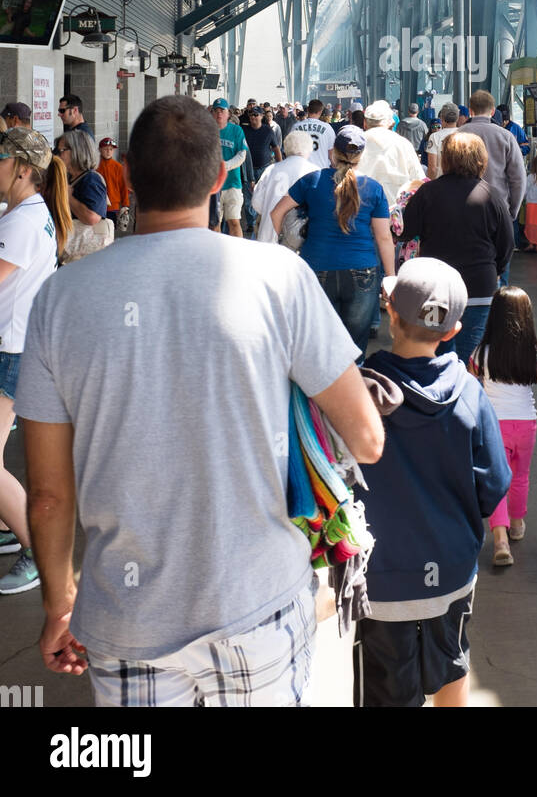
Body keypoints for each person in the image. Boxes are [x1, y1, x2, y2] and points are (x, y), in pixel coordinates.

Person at [14, 95, 384, 704]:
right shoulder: (279, 278)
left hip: (125, 620)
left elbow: (50, 495)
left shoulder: (60, 300)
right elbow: (366, 440)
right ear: (219, 177)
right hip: (258, 603)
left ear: (128, 176)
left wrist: (59, 602)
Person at [354, 258, 511, 708]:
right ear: (453, 330)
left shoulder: (362, 392)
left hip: (382, 580)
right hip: (452, 572)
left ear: (390, 311)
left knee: (384, 692)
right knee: (452, 672)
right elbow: (493, 483)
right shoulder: (470, 393)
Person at [0, 130, 72, 596]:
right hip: (18, 347)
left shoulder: (22, 222)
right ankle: (13, 523)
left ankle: (37, 551)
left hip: (13, 352)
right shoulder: (27, 213)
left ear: (22, 169)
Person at [270, 126, 395, 359]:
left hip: (316, 268)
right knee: (354, 348)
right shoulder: (374, 189)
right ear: (361, 157)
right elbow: (384, 237)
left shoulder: (311, 181)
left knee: (320, 345)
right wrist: (390, 276)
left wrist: (286, 247)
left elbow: (276, 214)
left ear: (332, 153)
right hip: (363, 271)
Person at [469, 286, 537, 565]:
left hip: (494, 426)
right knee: (520, 477)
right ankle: (516, 524)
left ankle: (500, 538)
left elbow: (471, 387)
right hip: (526, 426)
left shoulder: (482, 353)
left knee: (496, 480)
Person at [400, 131, 513, 364]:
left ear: (446, 158)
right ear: (481, 159)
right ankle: (467, 397)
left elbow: (407, 230)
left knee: (436, 352)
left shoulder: (427, 193)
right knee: (471, 357)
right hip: (479, 288)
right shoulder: (491, 195)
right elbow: (506, 244)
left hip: (436, 291)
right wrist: (497, 269)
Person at [461, 90, 526, 285]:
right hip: (499, 212)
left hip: (464, 211)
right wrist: (512, 211)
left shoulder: (458, 135)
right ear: (492, 111)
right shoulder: (506, 136)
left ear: (470, 110)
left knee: (466, 263)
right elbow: (518, 179)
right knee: (500, 263)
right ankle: (498, 303)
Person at [251, 131, 316, 245]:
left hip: (268, 237)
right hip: (298, 242)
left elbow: (256, 203)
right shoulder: (315, 172)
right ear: (309, 149)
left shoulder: (272, 169)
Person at [358, 99, 424, 208]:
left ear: (365, 123)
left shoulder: (357, 142)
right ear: (391, 123)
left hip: (362, 211)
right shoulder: (404, 144)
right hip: (395, 213)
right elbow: (419, 180)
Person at [209, 98, 247, 237]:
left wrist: (224, 166)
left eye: (222, 111)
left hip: (232, 183)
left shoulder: (236, 130)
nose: (219, 114)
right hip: (213, 186)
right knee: (215, 224)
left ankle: (237, 252)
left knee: (234, 221)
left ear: (228, 114)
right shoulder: (207, 131)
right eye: (216, 111)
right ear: (212, 113)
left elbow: (242, 155)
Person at [241, 107, 282, 232]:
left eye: (255, 114)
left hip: (265, 168)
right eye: (251, 114)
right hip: (248, 169)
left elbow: (276, 149)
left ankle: (263, 220)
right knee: (248, 199)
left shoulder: (268, 131)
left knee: (264, 196)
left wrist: (279, 166)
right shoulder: (244, 130)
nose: (253, 117)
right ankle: (251, 224)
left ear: (261, 116)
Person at [56, 131, 108, 228]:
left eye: (62, 150)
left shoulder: (91, 180)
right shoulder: (69, 177)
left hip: (84, 241)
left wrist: (68, 196)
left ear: (77, 151)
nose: (59, 155)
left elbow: (92, 217)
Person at [291, 99, 336, 170]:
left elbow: (291, 150)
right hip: (320, 171)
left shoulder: (296, 127)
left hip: (300, 171)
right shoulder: (328, 128)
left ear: (308, 110)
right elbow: (331, 154)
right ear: (320, 111)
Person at [97, 138, 130, 230]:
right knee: (99, 232)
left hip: (113, 206)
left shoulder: (118, 167)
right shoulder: (95, 166)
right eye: (105, 149)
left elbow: (123, 187)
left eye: (111, 149)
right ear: (100, 150)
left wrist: (125, 205)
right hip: (98, 205)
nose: (108, 152)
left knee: (110, 231)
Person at [425, 103, 459, 179]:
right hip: (462, 184)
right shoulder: (465, 134)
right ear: (457, 118)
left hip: (440, 182)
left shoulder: (435, 137)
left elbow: (432, 168)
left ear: (442, 118)